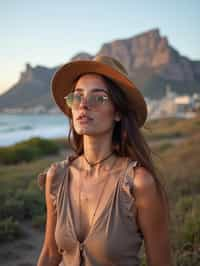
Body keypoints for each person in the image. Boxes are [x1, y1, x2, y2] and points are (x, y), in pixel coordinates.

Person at [37, 55, 173, 266]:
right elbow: (50, 254)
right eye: (77, 97)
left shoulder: (139, 184)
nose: (83, 106)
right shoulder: (57, 177)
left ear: (117, 112)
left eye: (98, 98)